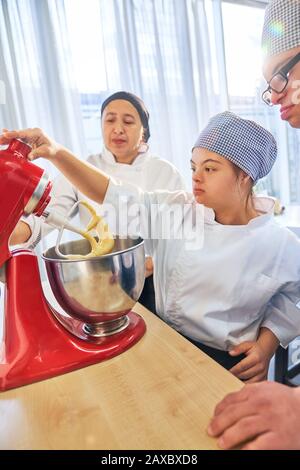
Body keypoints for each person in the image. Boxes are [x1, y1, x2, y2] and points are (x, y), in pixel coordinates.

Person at [3, 111, 300, 383]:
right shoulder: (178, 211)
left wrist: (266, 345)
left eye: (210, 169)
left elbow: (290, 300)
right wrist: (56, 153)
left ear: (245, 176)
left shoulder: (279, 244)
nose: (195, 177)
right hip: (164, 341)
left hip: (228, 364)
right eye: (194, 166)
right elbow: (112, 194)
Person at [208, 0, 300, 450]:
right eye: (268, 85)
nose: (276, 93)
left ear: (244, 176)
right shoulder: (187, 217)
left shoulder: (278, 240)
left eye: (283, 73)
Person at [10, 91, 186, 313]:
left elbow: (178, 236)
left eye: (128, 121)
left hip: (149, 280)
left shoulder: (164, 172)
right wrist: (14, 230)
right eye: (110, 120)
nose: (118, 128)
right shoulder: (83, 169)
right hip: (97, 276)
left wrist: (147, 266)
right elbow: (48, 213)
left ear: (144, 132)